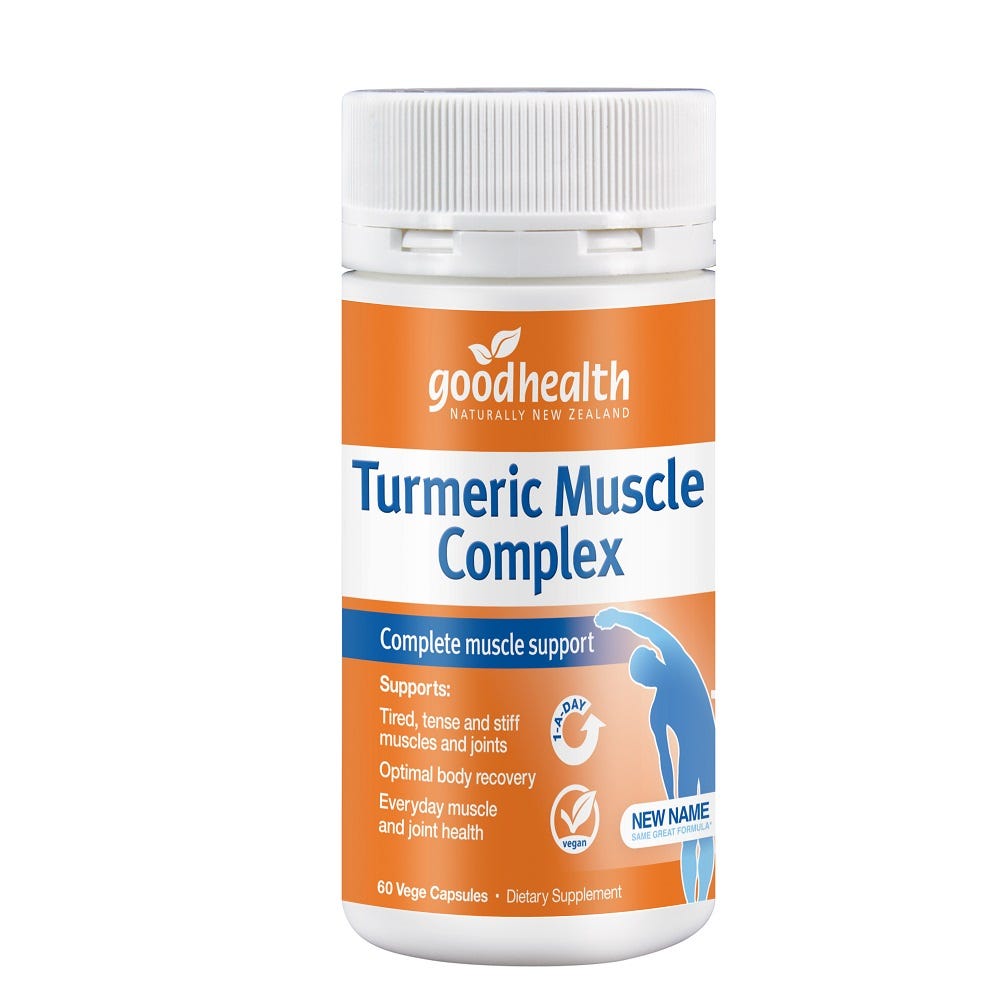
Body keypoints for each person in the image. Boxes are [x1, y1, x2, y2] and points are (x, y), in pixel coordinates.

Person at [595, 607, 715, 902]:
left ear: (654, 658)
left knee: (705, 833)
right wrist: (671, 800)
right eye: (644, 680)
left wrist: (616, 616)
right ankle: (691, 902)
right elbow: (665, 759)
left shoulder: (677, 662)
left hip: (708, 749)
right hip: (689, 760)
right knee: (689, 837)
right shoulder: (657, 710)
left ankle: (701, 900)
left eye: (647, 672)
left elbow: (650, 629)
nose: (649, 679)